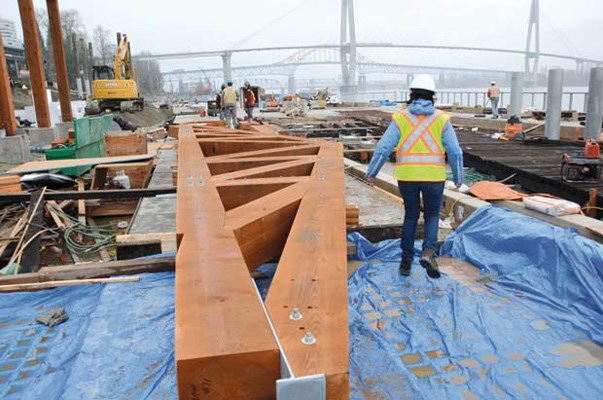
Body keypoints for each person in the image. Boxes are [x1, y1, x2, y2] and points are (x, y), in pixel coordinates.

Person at [365, 74, 464, 279]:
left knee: (411, 216)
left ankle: (405, 262)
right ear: (432, 96)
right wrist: (458, 177)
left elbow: (384, 147)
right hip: (433, 177)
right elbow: (455, 151)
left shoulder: (400, 117)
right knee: (432, 215)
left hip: (407, 176)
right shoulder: (441, 118)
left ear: (411, 94)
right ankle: (428, 253)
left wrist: (372, 172)